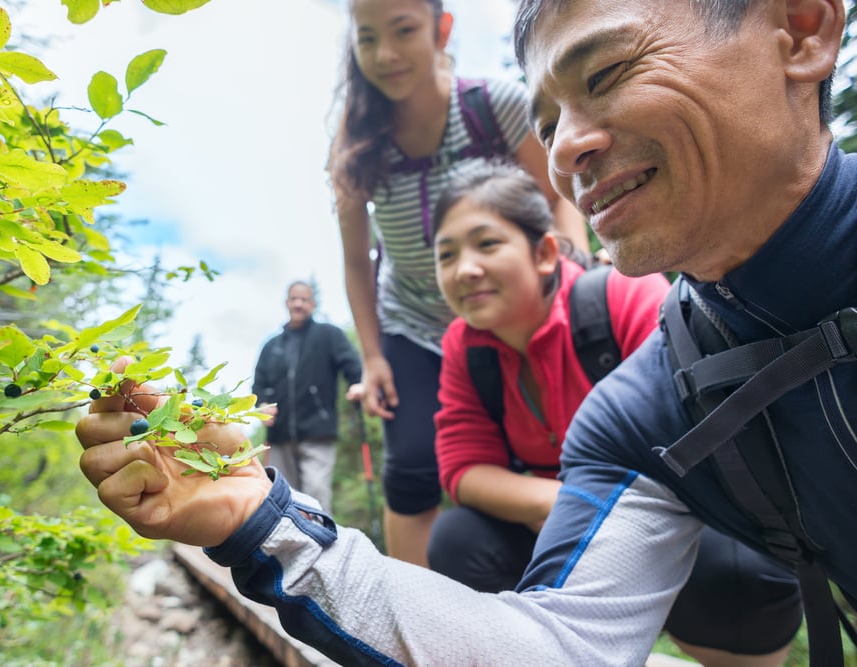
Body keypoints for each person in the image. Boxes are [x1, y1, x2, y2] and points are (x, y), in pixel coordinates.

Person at [76, 1, 857, 664]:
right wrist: (262, 523)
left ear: (801, 27)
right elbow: (555, 642)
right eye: (548, 123)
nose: (565, 151)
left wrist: (578, 261)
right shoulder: (644, 409)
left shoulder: (622, 322)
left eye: (608, 72)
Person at [427, 161, 800, 664]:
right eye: (446, 255)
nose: (463, 269)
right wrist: (564, 505)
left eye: (486, 244)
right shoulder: (464, 349)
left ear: (544, 253)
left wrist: (596, 514)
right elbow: (464, 469)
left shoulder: (621, 295)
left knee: (739, 575)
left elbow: (701, 427)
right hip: (556, 517)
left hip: (670, 511)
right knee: (458, 540)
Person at [328, 0, 588, 566]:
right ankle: (409, 631)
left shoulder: (493, 106)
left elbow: (560, 198)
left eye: (403, 31)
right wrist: (372, 357)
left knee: (538, 457)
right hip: (415, 324)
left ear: (441, 29)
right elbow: (355, 261)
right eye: (367, 38)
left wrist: (576, 282)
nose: (385, 54)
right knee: (413, 463)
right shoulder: (355, 142)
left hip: (513, 317)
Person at [252, 281, 363, 512]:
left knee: (316, 494)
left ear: (313, 304)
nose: (298, 304)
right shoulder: (271, 346)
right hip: (280, 435)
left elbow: (352, 364)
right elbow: (258, 384)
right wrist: (261, 405)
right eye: (294, 299)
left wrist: (357, 385)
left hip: (317, 432)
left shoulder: (329, 335)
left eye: (304, 299)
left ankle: (322, 544)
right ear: (287, 303)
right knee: (282, 497)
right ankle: (285, 548)